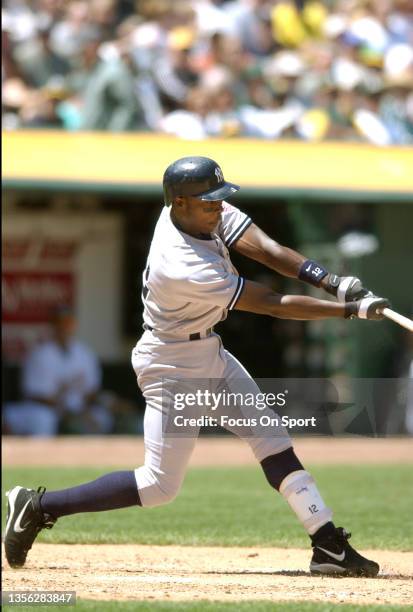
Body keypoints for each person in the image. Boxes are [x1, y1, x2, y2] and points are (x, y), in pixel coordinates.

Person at [5, 156, 389, 576]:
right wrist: (348, 312)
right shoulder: (181, 263)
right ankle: (38, 506)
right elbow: (271, 304)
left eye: (220, 199)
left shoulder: (200, 214)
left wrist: (330, 282)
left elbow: (266, 249)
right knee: (158, 486)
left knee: (272, 438)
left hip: (209, 350)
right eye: (209, 202)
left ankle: (327, 543)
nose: (219, 208)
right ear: (180, 203)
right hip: (171, 364)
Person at [3, 306, 113, 436]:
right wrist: (67, 412)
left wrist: (83, 410)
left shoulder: (85, 353)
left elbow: (92, 391)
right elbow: (35, 395)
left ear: (74, 325)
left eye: (69, 322)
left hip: (78, 410)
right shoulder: (39, 353)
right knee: (44, 419)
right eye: (60, 322)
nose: (65, 327)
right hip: (44, 410)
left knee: (101, 417)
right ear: (53, 325)